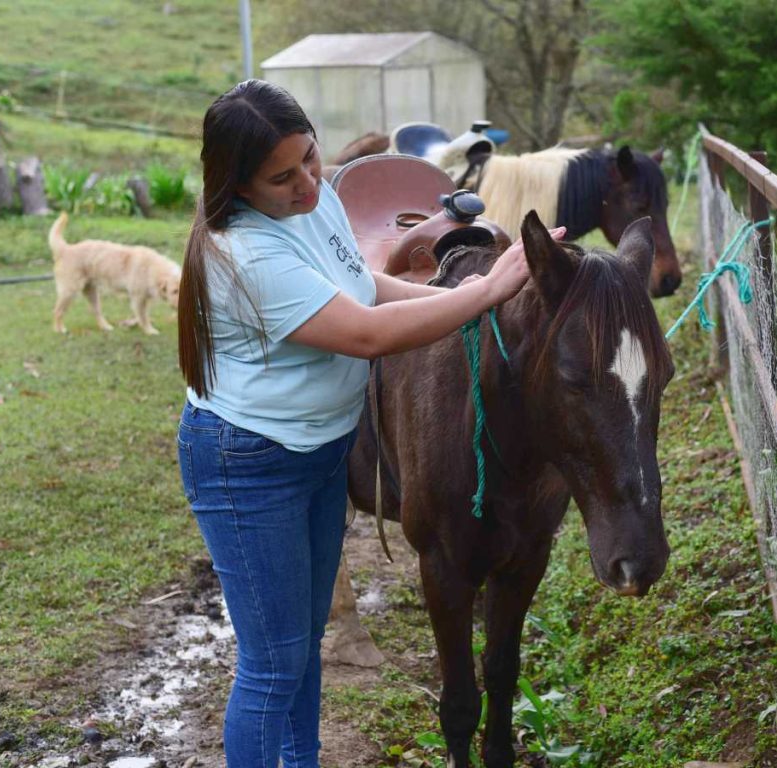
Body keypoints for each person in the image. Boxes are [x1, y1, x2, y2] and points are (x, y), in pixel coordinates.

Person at [176, 79, 564, 767]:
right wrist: (482, 293)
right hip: (249, 465)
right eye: (281, 177)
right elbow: (364, 333)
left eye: (310, 161)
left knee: (299, 650)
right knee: (272, 664)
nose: (305, 186)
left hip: (318, 454)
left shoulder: (316, 201)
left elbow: (359, 281)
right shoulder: (244, 252)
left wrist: (444, 293)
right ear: (235, 184)